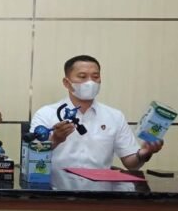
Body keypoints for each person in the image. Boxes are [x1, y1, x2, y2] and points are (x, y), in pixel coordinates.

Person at [30, 55, 163, 171]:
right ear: (67, 83)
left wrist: (145, 153)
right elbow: (32, 156)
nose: (90, 82)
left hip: (100, 191)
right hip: (55, 189)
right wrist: (55, 140)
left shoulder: (115, 117)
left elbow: (131, 164)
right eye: (82, 77)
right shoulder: (46, 114)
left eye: (95, 77)